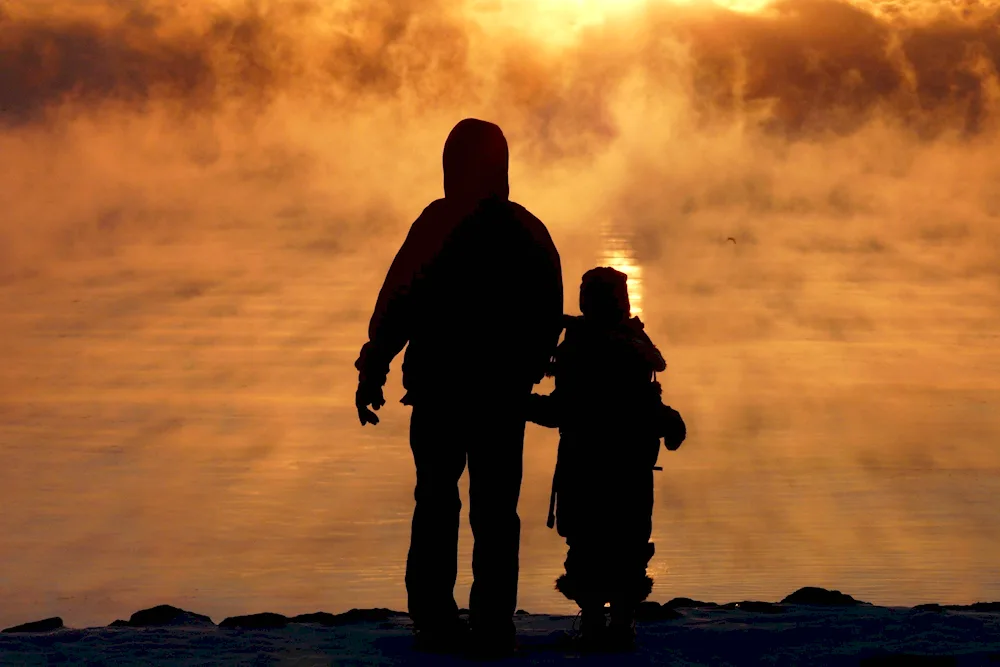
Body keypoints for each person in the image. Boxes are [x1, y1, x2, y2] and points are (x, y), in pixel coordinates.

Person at [354, 118, 564, 656]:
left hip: (441, 392)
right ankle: (493, 624)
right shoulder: (526, 230)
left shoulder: (437, 222)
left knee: (437, 503)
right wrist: (528, 368)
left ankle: (434, 620)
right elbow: (547, 313)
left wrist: (374, 366)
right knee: (495, 511)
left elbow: (399, 299)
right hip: (498, 397)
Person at [527, 267, 686, 652]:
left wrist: (517, 404)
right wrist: (669, 422)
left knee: (590, 545)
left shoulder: (578, 347)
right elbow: (643, 403)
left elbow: (563, 410)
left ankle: (600, 623)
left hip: (588, 466)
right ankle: (617, 622)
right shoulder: (630, 345)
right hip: (627, 468)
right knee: (624, 544)